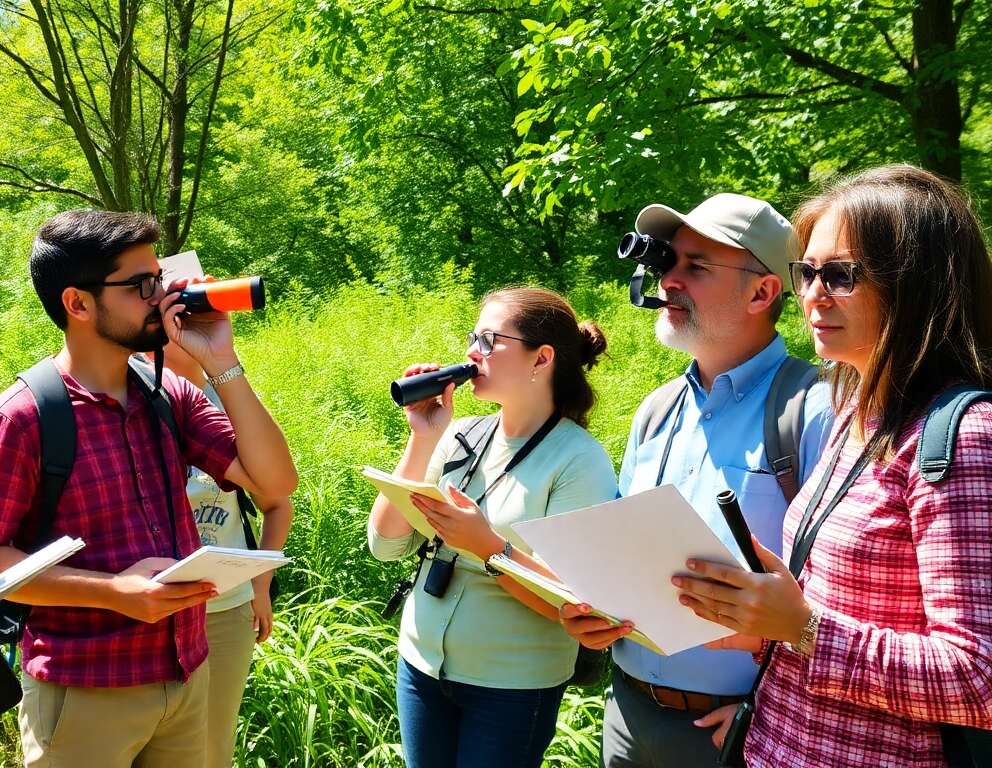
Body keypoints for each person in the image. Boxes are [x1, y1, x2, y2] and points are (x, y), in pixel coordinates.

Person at [0, 210, 297, 768]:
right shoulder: (21, 419)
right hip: (86, 688)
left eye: (159, 280)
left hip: (187, 670)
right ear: (79, 304)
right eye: (143, 286)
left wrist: (222, 362)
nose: (162, 298)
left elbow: (275, 482)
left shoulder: (168, 397)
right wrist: (113, 591)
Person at [679, 165, 992, 768]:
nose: (813, 294)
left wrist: (803, 627)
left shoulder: (965, 436)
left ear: (919, 284)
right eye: (808, 272)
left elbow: (977, 679)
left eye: (841, 275)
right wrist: (762, 615)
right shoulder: (857, 413)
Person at [558, 193, 833, 768]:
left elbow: (841, 601)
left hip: (738, 728)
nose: (669, 280)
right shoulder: (656, 409)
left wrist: (769, 709)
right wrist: (592, 608)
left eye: (696, 267)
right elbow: (624, 548)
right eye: (668, 263)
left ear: (763, 293)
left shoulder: (817, 409)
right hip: (628, 712)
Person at [367, 287, 619, 768]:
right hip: (420, 665)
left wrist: (486, 547)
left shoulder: (579, 460)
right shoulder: (460, 435)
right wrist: (423, 437)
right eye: (471, 337)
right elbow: (386, 542)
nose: (470, 352)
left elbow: (572, 604)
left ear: (540, 358)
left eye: (488, 340)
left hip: (511, 685)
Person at [159, 337, 293, 768]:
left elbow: (278, 501)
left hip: (225, 609)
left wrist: (261, 586)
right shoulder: (135, 399)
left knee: (213, 747)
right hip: (152, 610)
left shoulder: (230, 407)